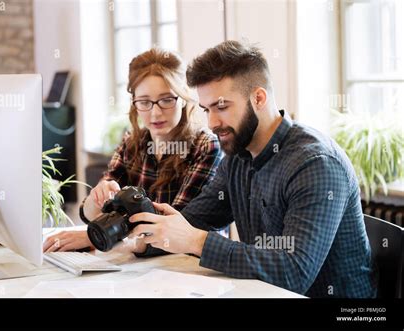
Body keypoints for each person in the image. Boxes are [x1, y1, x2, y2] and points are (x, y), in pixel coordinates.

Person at [128, 40, 376, 298]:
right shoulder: (239, 155)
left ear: (258, 98)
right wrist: (144, 239)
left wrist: (196, 241)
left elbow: (294, 273)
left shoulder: (316, 164)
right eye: (207, 109)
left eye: (222, 107)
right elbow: (192, 221)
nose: (212, 123)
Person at [43, 48, 222, 256]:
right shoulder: (132, 143)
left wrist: (93, 237)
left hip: (190, 267)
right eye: (145, 102)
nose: (155, 112)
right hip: (142, 265)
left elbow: (177, 226)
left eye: (166, 100)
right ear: (135, 103)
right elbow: (90, 214)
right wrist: (96, 199)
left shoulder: (206, 146)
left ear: (182, 98)